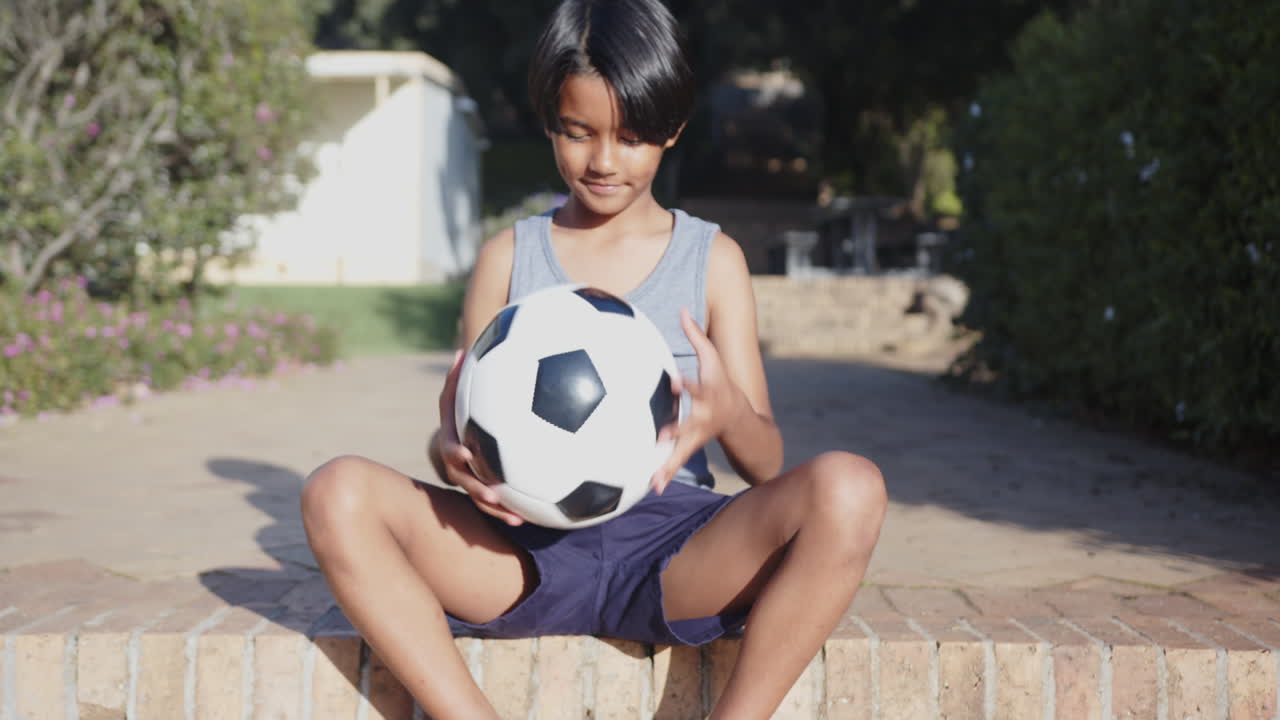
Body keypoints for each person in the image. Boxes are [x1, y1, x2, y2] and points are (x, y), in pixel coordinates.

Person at [300, 0, 887, 716]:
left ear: (672, 127)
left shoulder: (713, 261)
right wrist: (449, 453)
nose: (604, 160)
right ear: (550, 117)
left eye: (632, 136)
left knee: (851, 487)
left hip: (675, 547)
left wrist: (727, 408)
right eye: (579, 134)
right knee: (336, 492)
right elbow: (456, 430)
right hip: (520, 551)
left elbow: (767, 462)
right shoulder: (508, 259)